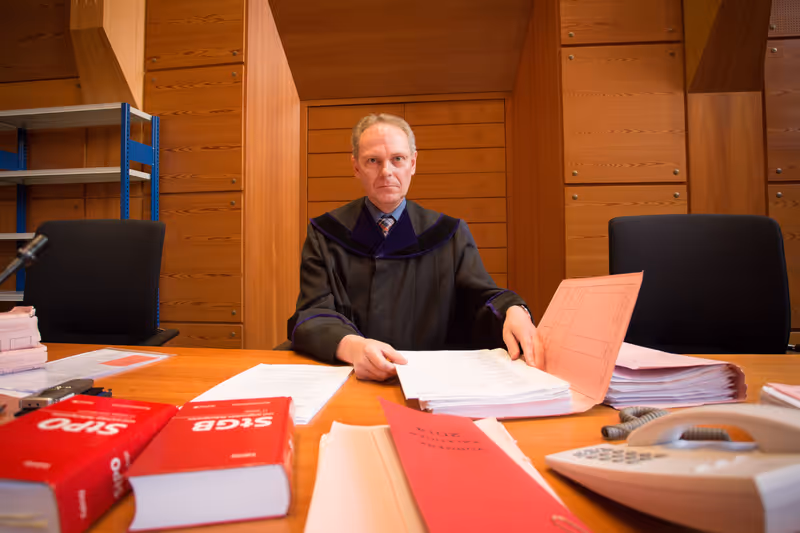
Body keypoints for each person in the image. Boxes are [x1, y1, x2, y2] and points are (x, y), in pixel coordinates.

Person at [288, 114, 540, 381]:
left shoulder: (449, 233)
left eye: (397, 158)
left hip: (432, 379)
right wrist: (352, 346)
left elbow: (481, 299)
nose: (386, 171)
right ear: (356, 167)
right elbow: (313, 312)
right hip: (351, 377)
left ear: (413, 163)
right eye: (373, 160)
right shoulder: (325, 233)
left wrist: (513, 309)